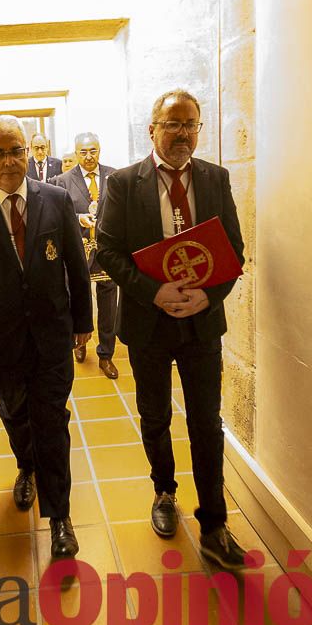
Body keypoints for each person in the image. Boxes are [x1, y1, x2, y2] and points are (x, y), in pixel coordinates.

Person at [95, 89, 247, 571]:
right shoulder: (122, 183)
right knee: (155, 414)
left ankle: (215, 524)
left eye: (192, 124)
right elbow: (108, 252)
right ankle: (164, 491)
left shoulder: (216, 179)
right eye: (173, 124)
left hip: (202, 325)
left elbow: (235, 250)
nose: (183, 133)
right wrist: (153, 292)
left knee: (207, 422)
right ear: (152, 129)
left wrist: (210, 294)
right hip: (148, 324)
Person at [0, 115, 93, 560]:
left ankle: (61, 517)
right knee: (14, 412)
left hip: (51, 335)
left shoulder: (56, 199)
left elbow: (74, 263)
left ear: (27, 153)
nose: (9, 161)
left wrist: (83, 321)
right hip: (0, 340)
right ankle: (25, 465)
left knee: (52, 420)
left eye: (16, 151)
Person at [53, 132, 121, 379]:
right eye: (83, 152)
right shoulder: (62, 181)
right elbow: (56, 216)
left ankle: (106, 355)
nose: (89, 156)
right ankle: (79, 343)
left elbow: (122, 211)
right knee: (78, 298)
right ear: (76, 153)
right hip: (77, 251)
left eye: (93, 151)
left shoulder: (115, 176)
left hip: (107, 251)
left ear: (100, 150)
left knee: (108, 304)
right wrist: (77, 218)